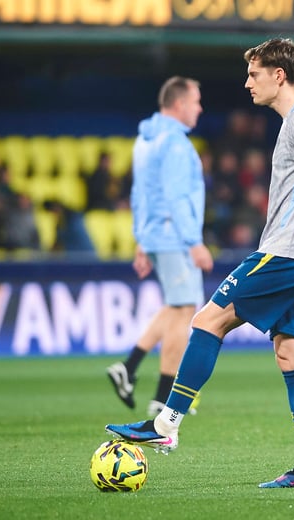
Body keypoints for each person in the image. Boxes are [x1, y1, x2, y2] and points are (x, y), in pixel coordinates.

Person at [105, 38, 294, 489]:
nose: (247, 83)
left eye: (254, 74)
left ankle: (165, 424)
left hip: (288, 253)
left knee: (207, 321)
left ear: (279, 75)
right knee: (292, 354)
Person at [106, 76, 214, 418]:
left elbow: (140, 193)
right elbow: (176, 196)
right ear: (179, 104)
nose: (199, 108)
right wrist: (194, 241)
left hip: (156, 233)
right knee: (184, 311)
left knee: (175, 306)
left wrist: (142, 239)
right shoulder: (176, 144)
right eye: (195, 101)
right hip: (175, 236)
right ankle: (159, 392)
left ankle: (131, 370)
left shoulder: (145, 139)